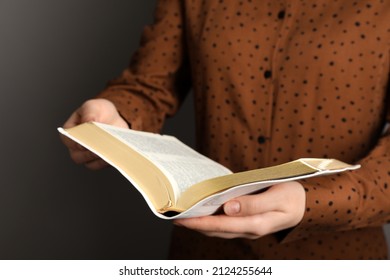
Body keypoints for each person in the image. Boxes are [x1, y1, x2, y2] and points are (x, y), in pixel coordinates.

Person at [61, 0, 390, 259]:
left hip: (337, 259)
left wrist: (314, 202)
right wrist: (116, 114)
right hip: (205, 255)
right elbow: (150, 85)